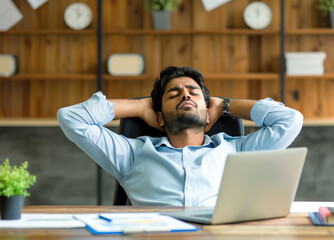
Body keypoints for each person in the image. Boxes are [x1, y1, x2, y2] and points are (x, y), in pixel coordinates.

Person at [57, 66, 303, 206]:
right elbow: (71, 118)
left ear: (208, 114)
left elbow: (290, 121)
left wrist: (225, 106)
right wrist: (139, 107)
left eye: (193, 93)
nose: (185, 95)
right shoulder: (131, 154)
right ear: (160, 117)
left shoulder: (237, 151)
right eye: (174, 94)